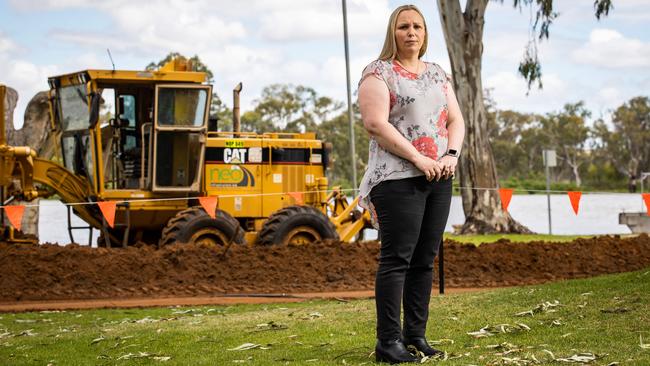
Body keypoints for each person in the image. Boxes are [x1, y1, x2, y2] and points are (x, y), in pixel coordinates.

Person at [357, 4, 465, 364]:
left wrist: (450, 154)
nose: (411, 32)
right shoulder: (379, 72)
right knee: (397, 259)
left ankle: (415, 334)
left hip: (439, 177)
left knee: (424, 260)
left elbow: (455, 120)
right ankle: (388, 342)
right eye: (403, 26)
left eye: (417, 26)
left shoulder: (436, 73)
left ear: (425, 33)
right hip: (397, 177)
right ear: (393, 32)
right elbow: (376, 123)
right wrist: (418, 158)